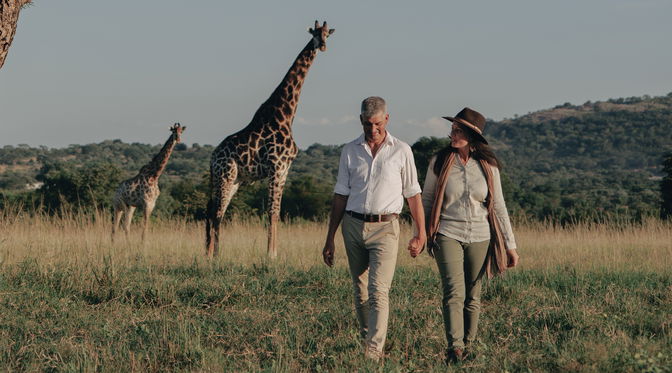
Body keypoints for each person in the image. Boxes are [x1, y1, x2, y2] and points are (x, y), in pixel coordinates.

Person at [322, 96, 426, 361]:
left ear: (387, 119)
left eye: (378, 123)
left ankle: (373, 351)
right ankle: (369, 338)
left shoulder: (401, 150)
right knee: (360, 289)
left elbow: (413, 194)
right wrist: (330, 238)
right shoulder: (349, 150)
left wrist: (420, 233)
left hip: (386, 226)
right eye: (368, 124)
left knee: (379, 290)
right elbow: (340, 195)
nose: (373, 129)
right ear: (361, 121)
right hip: (353, 224)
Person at [421, 107, 519, 363]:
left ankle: (469, 345)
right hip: (447, 232)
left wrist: (510, 245)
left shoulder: (488, 165)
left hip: (481, 234)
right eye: (452, 129)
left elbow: (498, 206)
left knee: (473, 294)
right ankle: (455, 348)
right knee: (454, 291)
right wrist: (420, 234)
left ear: (471, 135)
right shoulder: (439, 161)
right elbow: (428, 199)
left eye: (458, 130)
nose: (452, 134)